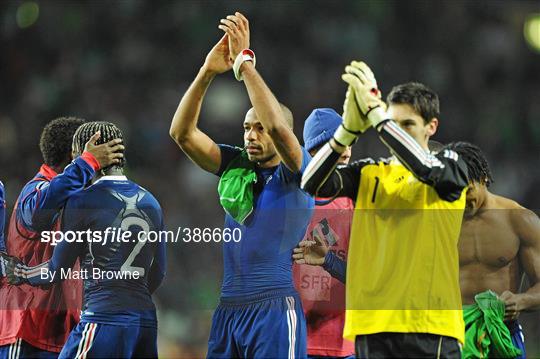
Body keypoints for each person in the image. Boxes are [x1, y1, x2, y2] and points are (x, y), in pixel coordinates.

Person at [169, 12, 314, 358]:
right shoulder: (237, 164)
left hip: (275, 310)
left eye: (258, 127)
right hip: (228, 311)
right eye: (247, 128)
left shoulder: (299, 170)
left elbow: (279, 130)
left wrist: (245, 65)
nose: (251, 135)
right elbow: (182, 134)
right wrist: (207, 72)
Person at [302, 61, 469, 358]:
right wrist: (346, 132)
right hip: (372, 327)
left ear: (432, 127)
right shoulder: (369, 173)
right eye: (393, 123)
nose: (394, 132)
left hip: (430, 327)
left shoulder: (450, 165)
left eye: (407, 125)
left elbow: (426, 168)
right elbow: (311, 183)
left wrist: (379, 117)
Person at [4, 121, 166, 358]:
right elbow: (158, 273)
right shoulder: (151, 201)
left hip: (92, 320)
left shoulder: (82, 201)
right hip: (33, 328)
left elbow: (57, 269)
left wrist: (18, 273)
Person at [448, 141, 540, 358]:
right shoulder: (439, 223)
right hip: (451, 334)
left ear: (484, 178)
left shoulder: (519, 220)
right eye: (454, 191)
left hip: (502, 331)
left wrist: (521, 300)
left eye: (467, 190)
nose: (461, 200)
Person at [292, 108, 354, 358]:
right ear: (313, 153)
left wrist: (328, 260)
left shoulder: (355, 203)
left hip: (345, 345)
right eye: (338, 144)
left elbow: (366, 278)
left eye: (349, 143)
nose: (347, 151)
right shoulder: (289, 200)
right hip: (295, 340)